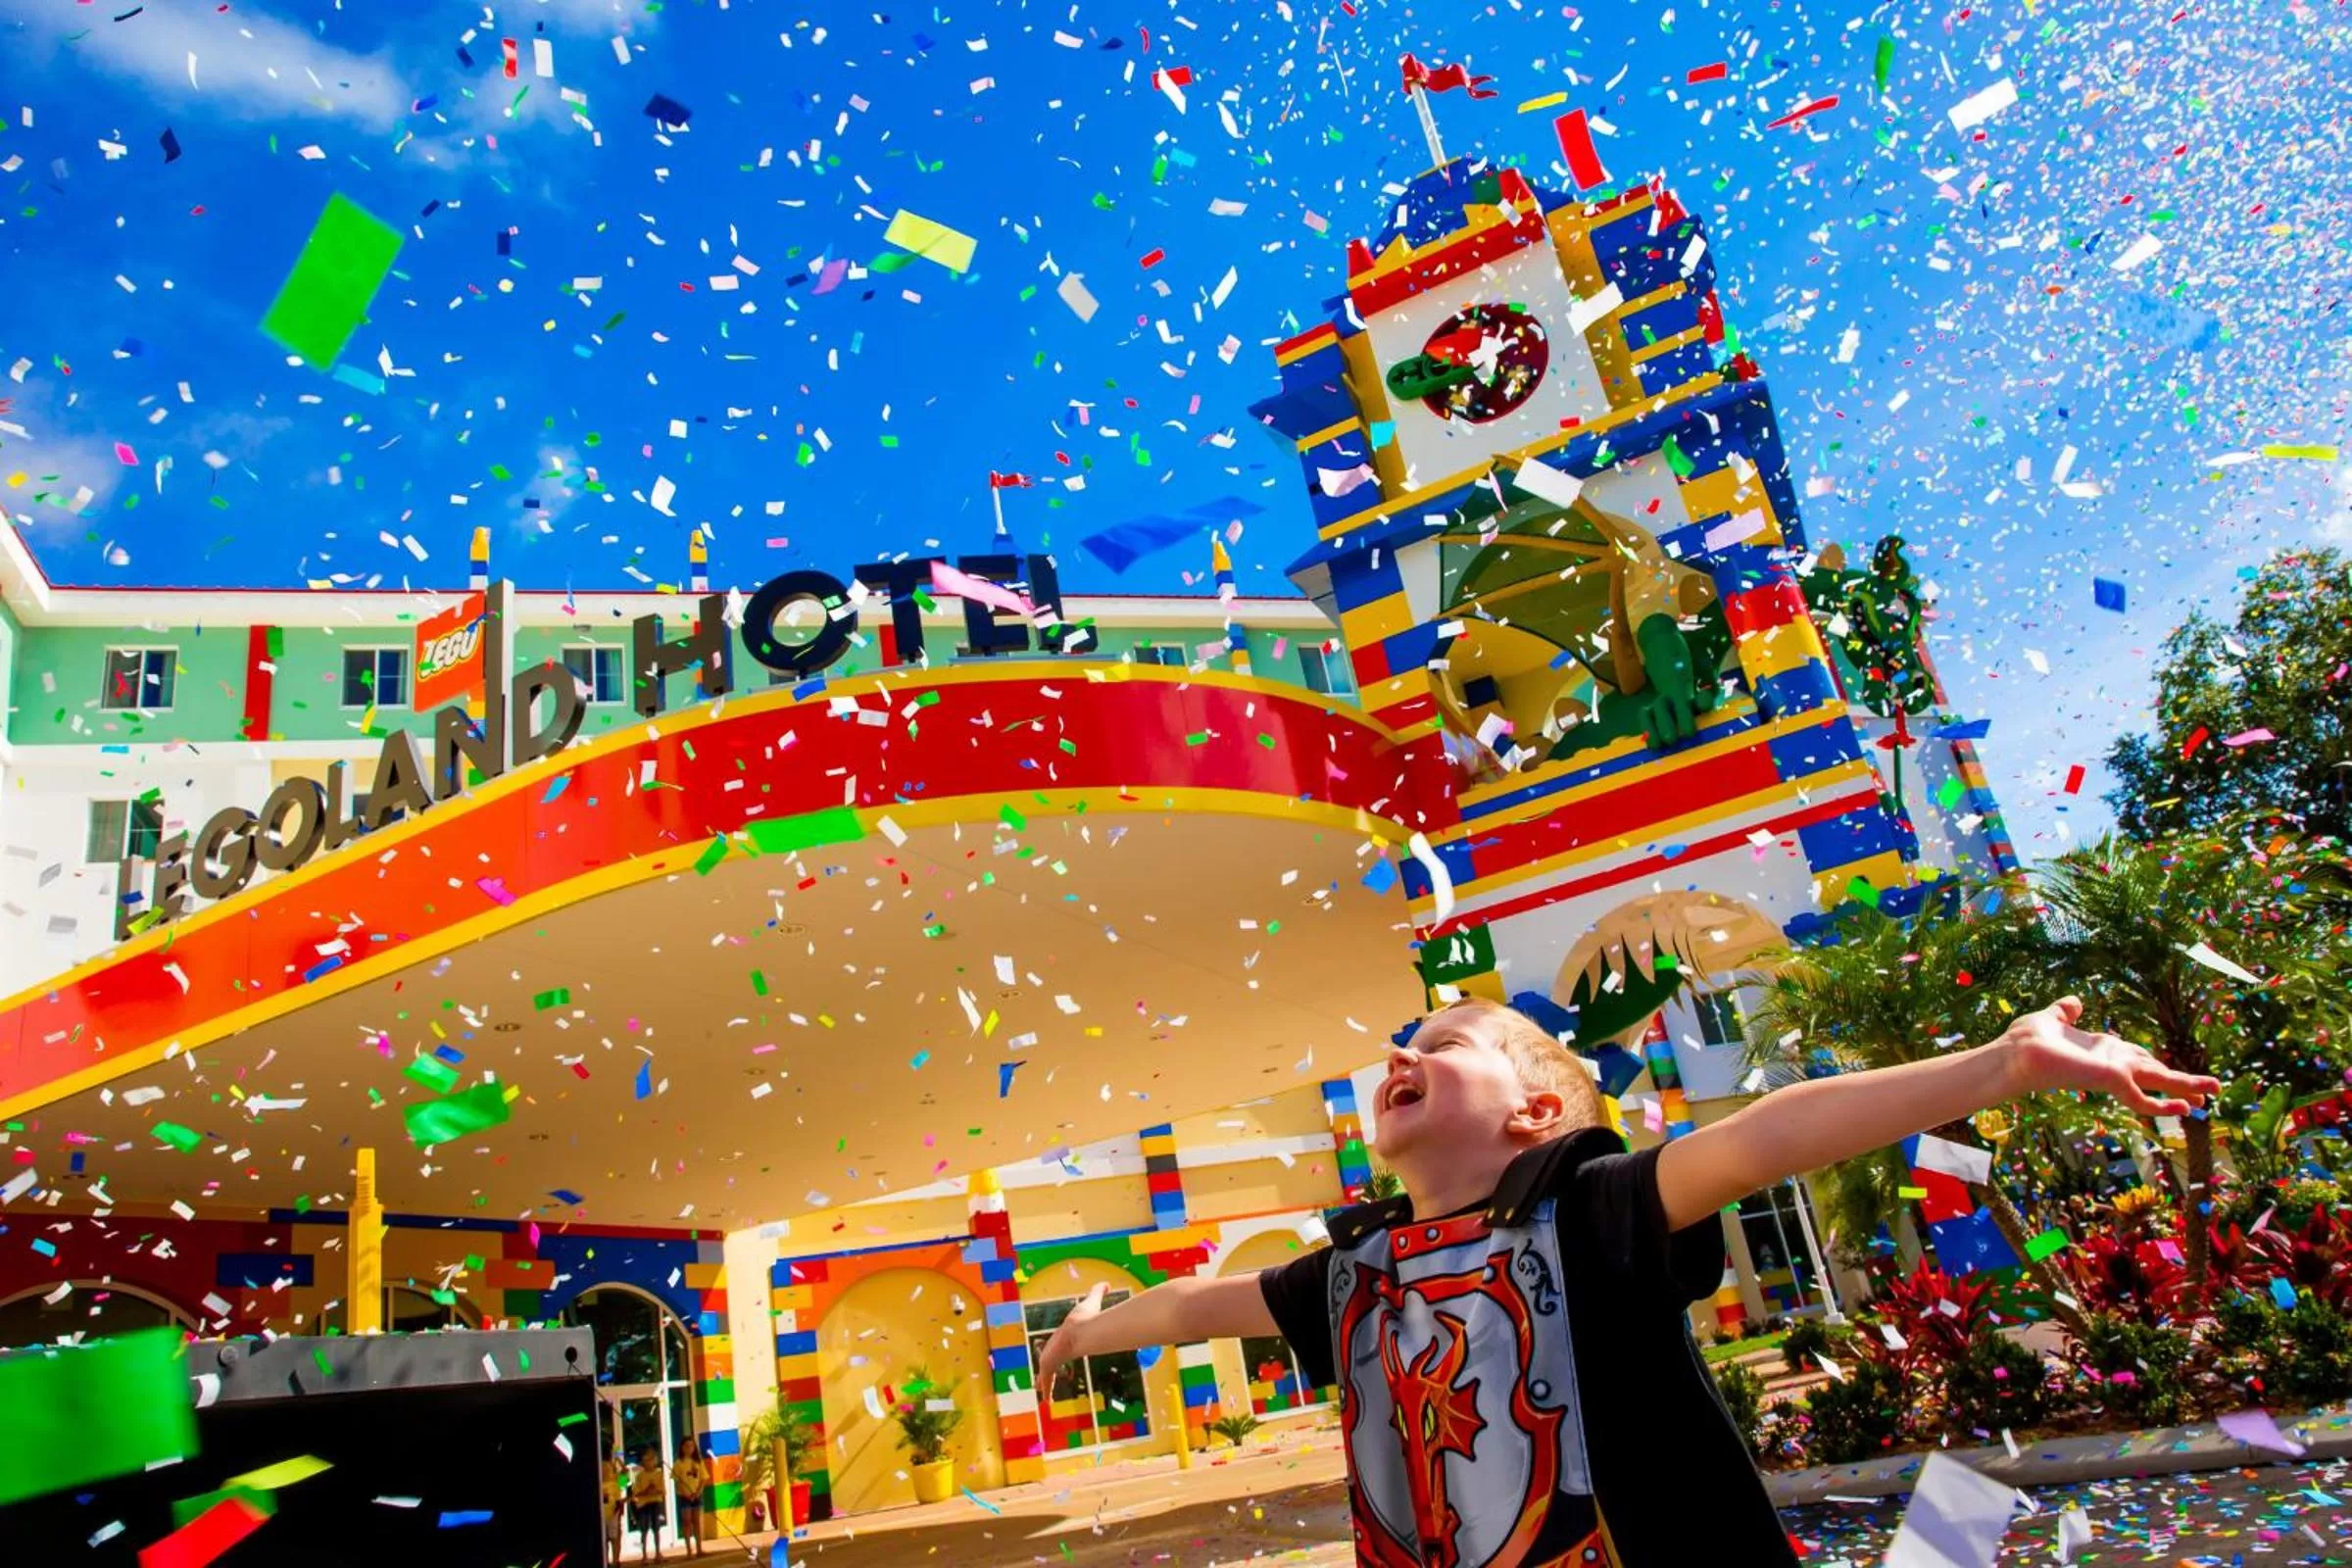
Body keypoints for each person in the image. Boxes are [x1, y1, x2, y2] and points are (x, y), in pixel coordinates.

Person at [1036, 994, 2215, 1566]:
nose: (1399, 1054)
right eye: (1398, 1048)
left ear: (1538, 1110)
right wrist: (1089, 1329)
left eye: (1443, 1044)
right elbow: (1196, 1304)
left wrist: (2000, 1062)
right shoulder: (1354, 1271)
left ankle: (1963, 1524)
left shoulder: (1588, 1208)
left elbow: (1767, 1134)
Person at [627, 1444, 667, 1562]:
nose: (650, 1462)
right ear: (643, 1461)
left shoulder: (658, 1473)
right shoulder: (639, 1475)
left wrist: (655, 1490)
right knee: (644, 1530)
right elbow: (636, 1493)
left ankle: (658, 1552)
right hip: (644, 1505)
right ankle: (644, 1555)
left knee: (657, 1529)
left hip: (655, 1503)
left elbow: (663, 1491)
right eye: (647, 1460)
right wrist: (647, 1491)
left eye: (652, 1459)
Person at [672, 1439, 709, 1558]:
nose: (689, 1448)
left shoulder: (698, 1462)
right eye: (687, 1446)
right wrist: (685, 1494)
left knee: (696, 1521)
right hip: (685, 1496)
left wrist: (698, 1492)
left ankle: (699, 1548)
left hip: (696, 1495)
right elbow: (677, 1482)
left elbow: (703, 1478)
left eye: (692, 1446)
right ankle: (689, 1550)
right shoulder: (678, 1463)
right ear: (682, 1448)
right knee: (686, 1521)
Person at [601, 1444, 627, 1565]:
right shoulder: (603, 1465)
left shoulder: (612, 1471)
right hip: (605, 1508)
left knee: (614, 1535)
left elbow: (623, 1481)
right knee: (607, 1536)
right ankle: (608, 1561)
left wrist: (618, 1460)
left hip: (614, 1507)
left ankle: (615, 1560)